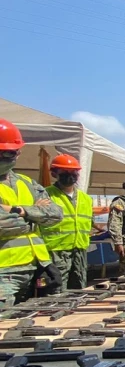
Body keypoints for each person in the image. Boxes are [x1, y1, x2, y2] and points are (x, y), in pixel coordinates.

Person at [0, 119, 63, 305]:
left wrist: (18, 211)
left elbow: (55, 214)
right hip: (4, 272)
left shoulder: (27, 183)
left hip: (38, 265)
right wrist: (35, 217)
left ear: (18, 152)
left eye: (8, 153)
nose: (3, 157)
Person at [40, 154, 93, 291]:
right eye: (65, 172)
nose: (70, 175)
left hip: (80, 249)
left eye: (73, 172)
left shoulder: (86, 198)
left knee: (78, 288)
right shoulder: (45, 195)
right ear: (54, 173)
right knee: (56, 289)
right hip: (56, 251)